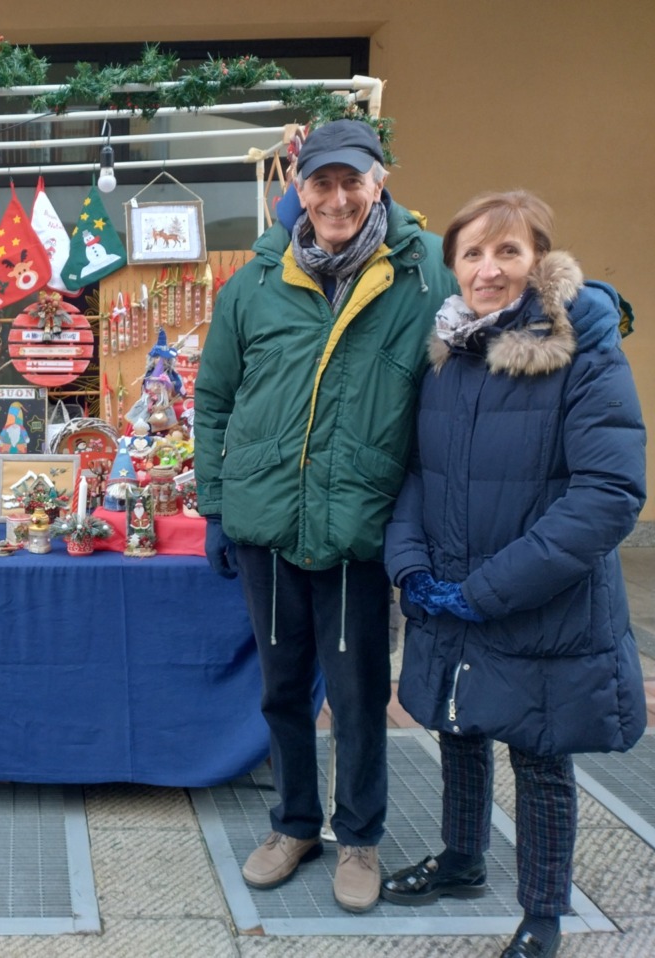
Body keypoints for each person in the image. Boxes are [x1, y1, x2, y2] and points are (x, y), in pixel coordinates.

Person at [194, 118, 456, 913]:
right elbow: (213, 400)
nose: (337, 197)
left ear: (380, 183)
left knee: (357, 691)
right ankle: (295, 823)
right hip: (268, 524)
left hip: (358, 529)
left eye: (353, 180)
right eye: (322, 181)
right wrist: (216, 504)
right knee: (281, 689)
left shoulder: (426, 273)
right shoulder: (255, 283)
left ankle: (362, 838)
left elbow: (495, 316)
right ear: (297, 189)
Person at [380, 191, 645, 958]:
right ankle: (463, 859)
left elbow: (608, 494)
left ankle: (543, 911)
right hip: (453, 590)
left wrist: (490, 590)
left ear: (539, 262)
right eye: (471, 254)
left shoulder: (582, 350)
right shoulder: (450, 356)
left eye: (507, 252)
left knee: (538, 751)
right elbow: (420, 475)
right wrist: (411, 566)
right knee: (460, 726)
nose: (487, 270)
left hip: (540, 602)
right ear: (452, 267)